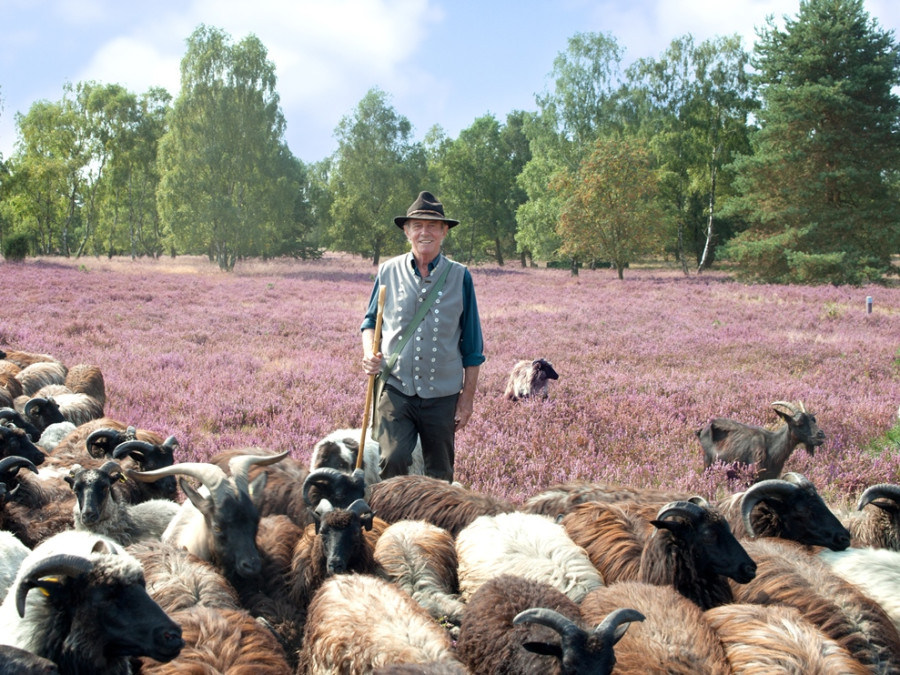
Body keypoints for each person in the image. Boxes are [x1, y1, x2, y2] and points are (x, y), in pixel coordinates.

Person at [360, 191, 485, 482]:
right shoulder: (388, 271)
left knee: (439, 472)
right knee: (393, 460)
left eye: (432, 226)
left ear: (444, 232)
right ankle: (392, 523)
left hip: (442, 395)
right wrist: (369, 352)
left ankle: (435, 526)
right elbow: (369, 322)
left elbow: (473, 346)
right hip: (396, 387)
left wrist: (466, 401)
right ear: (407, 231)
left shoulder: (460, 276)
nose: (424, 232)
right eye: (417, 225)